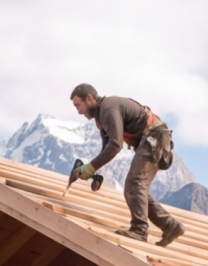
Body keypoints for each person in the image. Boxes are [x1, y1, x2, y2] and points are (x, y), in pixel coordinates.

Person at [69, 83, 186, 247]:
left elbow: (115, 145)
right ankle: (171, 226)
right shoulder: (101, 118)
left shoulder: (108, 109)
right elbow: (107, 147)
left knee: (134, 184)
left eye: (78, 105)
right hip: (152, 139)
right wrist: (91, 170)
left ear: (89, 99)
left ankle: (139, 230)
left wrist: (91, 167)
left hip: (154, 137)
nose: (78, 111)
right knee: (137, 188)